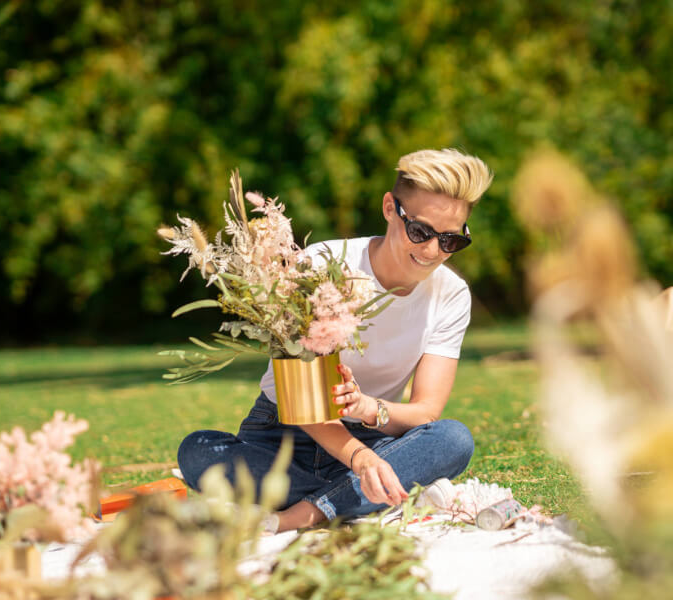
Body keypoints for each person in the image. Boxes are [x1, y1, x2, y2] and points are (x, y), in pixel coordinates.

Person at [177, 148, 493, 532]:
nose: (432, 252)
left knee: (453, 439)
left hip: (375, 437)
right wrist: (360, 462)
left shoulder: (452, 294)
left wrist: (366, 409)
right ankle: (367, 496)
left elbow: (426, 412)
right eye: (421, 232)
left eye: (450, 241)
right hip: (282, 436)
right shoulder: (322, 265)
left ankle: (301, 513)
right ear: (390, 208)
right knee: (196, 452)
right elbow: (302, 399)